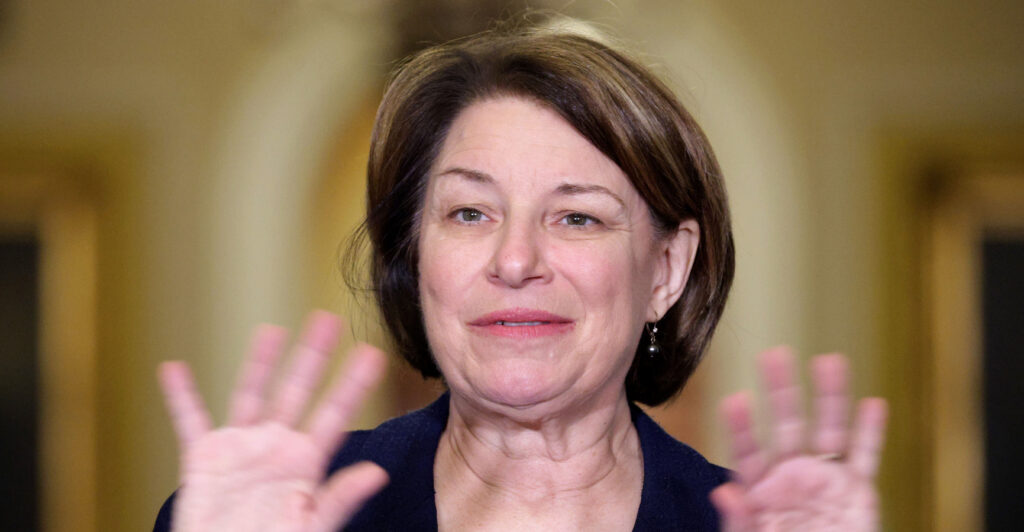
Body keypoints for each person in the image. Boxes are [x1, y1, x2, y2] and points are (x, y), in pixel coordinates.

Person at [154, 24, 887, 532]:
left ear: (666, 269)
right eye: (470, 213)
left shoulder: (741, 524)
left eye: (577, 218)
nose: (514, 261)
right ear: (415, 255)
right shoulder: (282, 512)